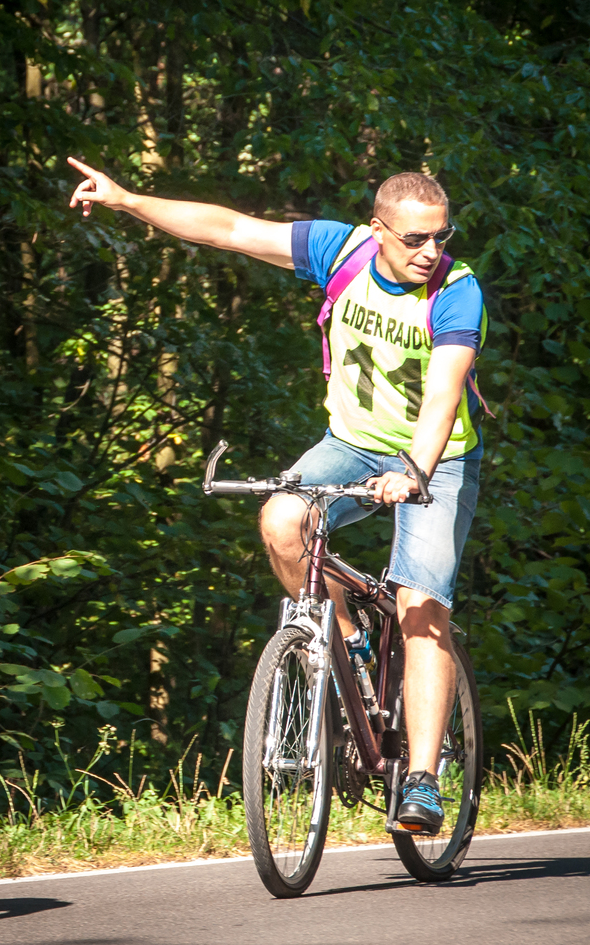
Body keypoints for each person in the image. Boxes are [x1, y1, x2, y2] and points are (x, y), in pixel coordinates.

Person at [68, 159, 487, 833]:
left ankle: (422, 780)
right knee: (281, 522)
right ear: (377, 229)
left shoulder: (457, 291)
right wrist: (127, 200)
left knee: (420, 607)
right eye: (415, 239)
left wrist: (413, 471)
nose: (430, 251)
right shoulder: (340, 251)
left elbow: (442, 398)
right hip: (350, 444)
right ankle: (347, 641)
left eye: (442, 236)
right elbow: (230, 229)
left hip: (435, 461)